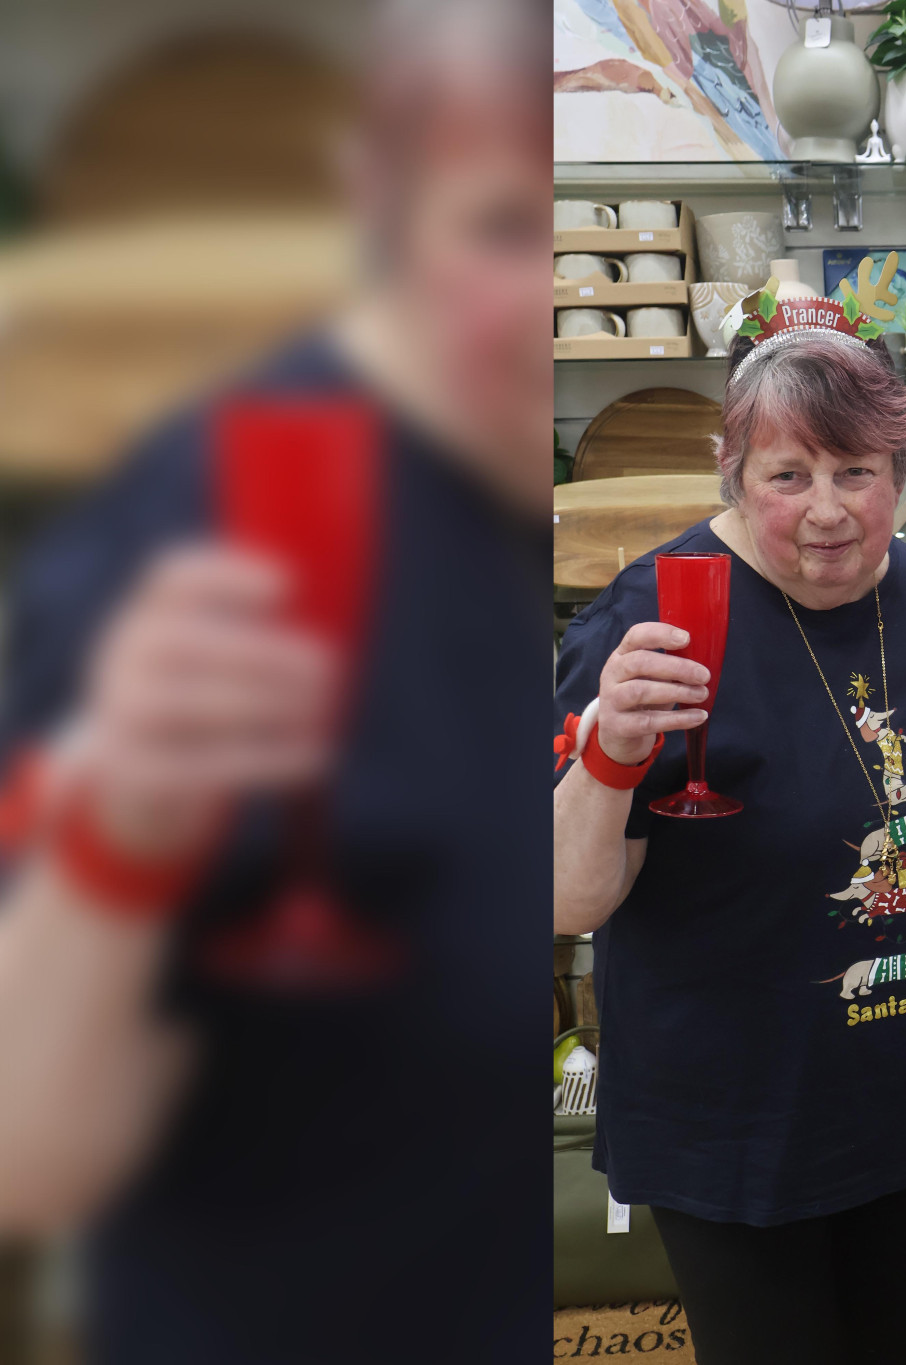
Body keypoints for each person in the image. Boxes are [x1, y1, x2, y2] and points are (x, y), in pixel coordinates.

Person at [0, 1, 551, 1359]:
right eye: (498, 228)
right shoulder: (185, 525)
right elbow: (29, 1151)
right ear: (383, 206)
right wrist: (118, 847)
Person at [552, 308, 906, 1365]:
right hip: (739, 1133)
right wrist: (611, 753)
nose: (827, 514)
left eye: (856, 472)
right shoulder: (651, 617)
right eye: (787, 475)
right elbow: (568, 900)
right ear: (733, 473)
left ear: (902, 468)